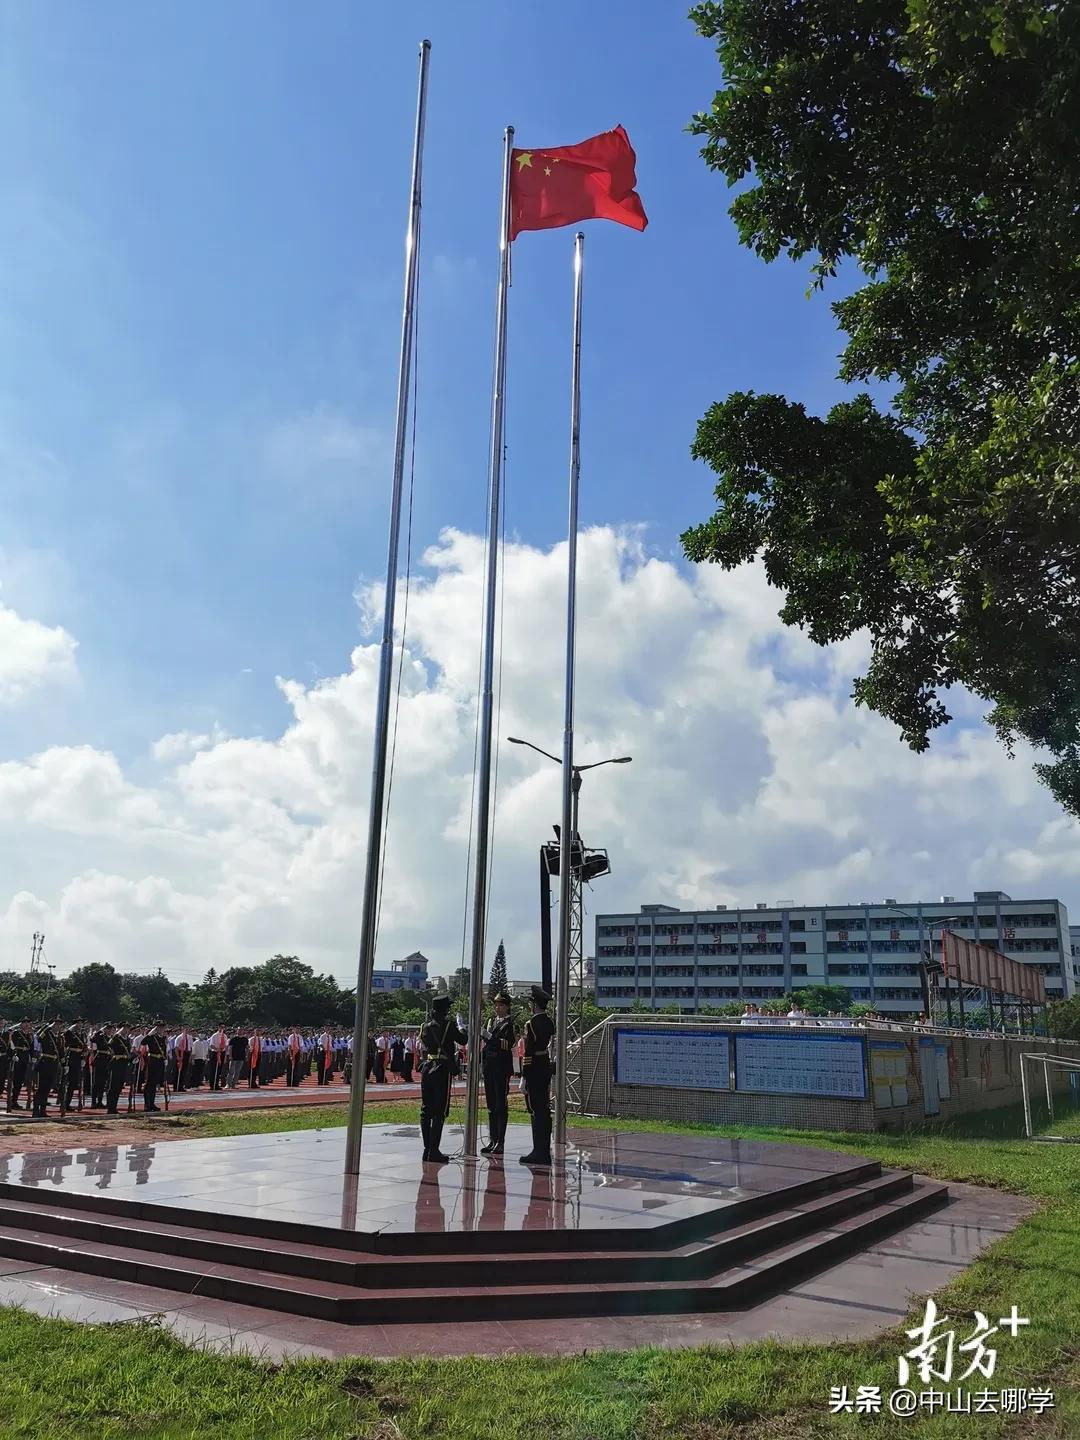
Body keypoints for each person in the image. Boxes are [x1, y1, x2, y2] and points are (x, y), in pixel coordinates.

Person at [419, 996, 466, 1164]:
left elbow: (425, 1043)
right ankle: (434, 1150)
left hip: (427, 1067)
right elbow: (463, 1040)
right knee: (439, 1111)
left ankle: (427, 1149)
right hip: (441, 1069)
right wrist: (461, 1026)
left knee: (426, 1110)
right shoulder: (449, 1025)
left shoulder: (424, 1026)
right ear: (445, 1010)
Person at [520, 985, 555, 1166]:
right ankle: (544, 1149)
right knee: (544, 1109)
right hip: (544, 1067)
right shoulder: (548, 1022)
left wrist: (524, 1076)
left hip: (534, 1069)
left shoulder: (531, 1024)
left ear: (534, 1005)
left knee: (535, 1109)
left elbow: (529, 1051)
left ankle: (538, 1151)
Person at [481, 991, 517, 1157]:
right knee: (491, 1105)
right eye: (496, 1005)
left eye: (501, 1005)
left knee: (500, 1105)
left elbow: (506, 1044)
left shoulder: (509, 1025)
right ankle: (492, 1139)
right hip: (489, 1066)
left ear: (507, 1007)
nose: (497, 1008)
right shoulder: (491, 1022)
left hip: (501, 1068)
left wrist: (489, 1037)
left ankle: (500, 1141)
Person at [33, 1017, 64, 1118]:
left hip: (53, 1065)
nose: (57, 1027)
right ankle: (36, 1110)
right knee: (41, 1088)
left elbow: (61, 1051)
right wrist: (47, 1027)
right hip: (45, 1063)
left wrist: (64, 1065)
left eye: (59, 1025)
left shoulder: (59, 1037)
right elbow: (38, 1037)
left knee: (47, 1089)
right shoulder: (47, 1034)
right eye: (55, 1024)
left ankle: (43, 1110)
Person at [7, 1020, 32, 1112]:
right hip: (17, 1058)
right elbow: (10, 1043)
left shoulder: (29, 1035)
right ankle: (12, 1101)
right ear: (21, 1024)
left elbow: (31, 1047)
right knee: (15, 1081)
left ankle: (14, 1100)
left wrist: (33, 1057)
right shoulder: (16, 1033)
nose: (26, 1024)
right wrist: (13, 1055)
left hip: (25, 1059)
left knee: (20, 1081)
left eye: (27, 1023)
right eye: (24, 1023)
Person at [143, 1021, 168, 1112]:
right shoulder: (152, 1037)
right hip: (152, 1061)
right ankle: (147, 1105)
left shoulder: (164, 1038)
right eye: (160, 1027)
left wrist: (165, 1059)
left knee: (155, 1083)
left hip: (160, 1062)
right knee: (149, 1084)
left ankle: (152, 1103)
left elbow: (164, 1049)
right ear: (156, 1028)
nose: (162, 1029)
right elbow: (143, 1042)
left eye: (163, 1028)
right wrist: (150, 1034)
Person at [106, 1025, 131, 1114]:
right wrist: (117, 1033)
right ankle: (110, 1107)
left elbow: (128, 1051)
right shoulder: (117, 1037)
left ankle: (114, 1107)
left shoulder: (127, 1039)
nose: (126, 1030)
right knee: (113, 1086)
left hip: (123, 1063)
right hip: (116, 1063)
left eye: (127, 1028)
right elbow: (109, 1044)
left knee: (119, 1086)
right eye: (124, 1028)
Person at [62, 1019, 87, 1109]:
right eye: (78, 1023)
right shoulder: (70, 1033)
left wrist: (83, 1058)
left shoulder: (83, 1034)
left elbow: (84, 1047)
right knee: (68, 1081)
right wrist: (70, 1028)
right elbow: (65, 1038)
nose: (80, 1025)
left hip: (78, 1058)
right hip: (71, 1057)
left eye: (81, 1023)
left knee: (75, 1082)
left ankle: (68, 1102)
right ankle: (64, 1102)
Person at [88, 1021, 111, 1107]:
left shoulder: (109, 1037)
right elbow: (92, 1039)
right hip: (99, 1059)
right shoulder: (100, 1036)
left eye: (110, 1029)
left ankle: (100, 1101)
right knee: (96, 1082)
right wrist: (99, 1031)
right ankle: (93, 1102)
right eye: (107, 1028)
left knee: (103, 1082)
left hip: (106, 1060)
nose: (109, 1030)